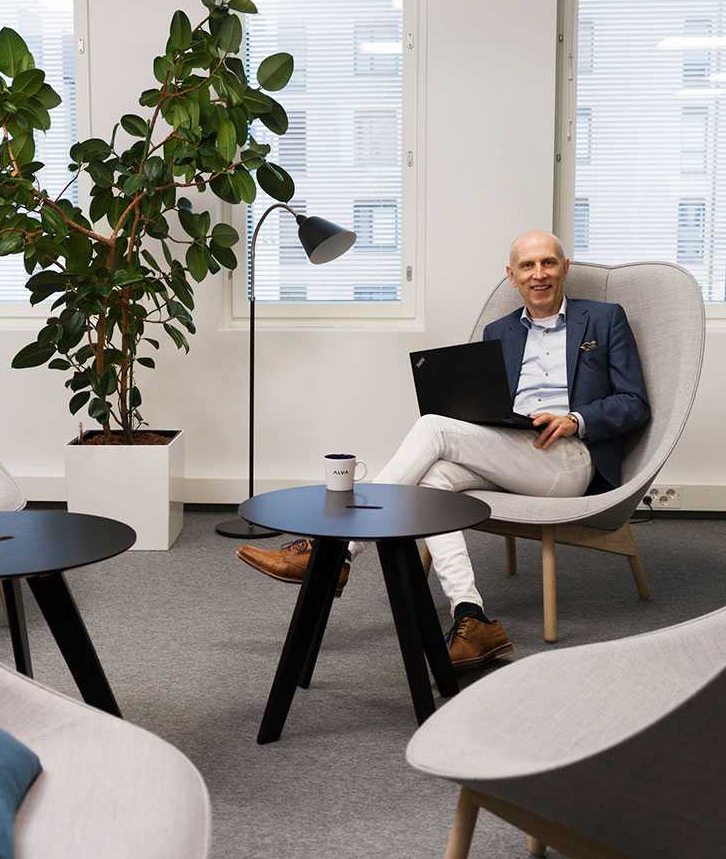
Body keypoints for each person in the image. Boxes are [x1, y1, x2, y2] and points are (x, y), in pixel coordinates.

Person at [237, 230, 650, 670]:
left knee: (432, 428)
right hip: (508, 450)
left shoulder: (604, 319)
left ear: (565, 268)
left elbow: (634, 402)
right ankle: (472, 618)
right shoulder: (500, 331)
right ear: (511, 276)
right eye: (527, 266)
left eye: (548, 263)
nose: (539, 274)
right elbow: (488, 401)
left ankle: (335, 550)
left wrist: (576, 419)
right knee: (432, 485)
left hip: (568, 458)